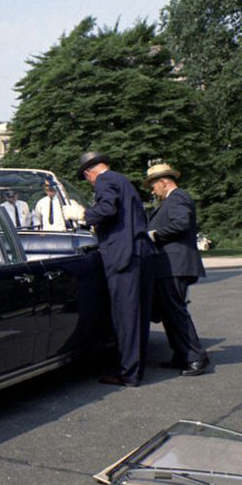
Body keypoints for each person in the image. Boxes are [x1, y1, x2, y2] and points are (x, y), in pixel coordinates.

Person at [65, 152, 155, 388]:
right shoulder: (122, 180)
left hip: (123, 255)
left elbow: (107, 208)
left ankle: (129, 373)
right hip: (140, 252)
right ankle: (135, 368)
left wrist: (83, 215)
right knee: (138, 314)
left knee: (125, 316)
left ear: (88, 174)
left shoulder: (104, 180)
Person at [144, 162, 210, 376]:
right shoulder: (173, 200)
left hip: (175, 265)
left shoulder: (178, 197)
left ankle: (196, 357)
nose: (152, 190)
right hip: (171, 266)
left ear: (164, 182)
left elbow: (181, 223)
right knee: (169, 313)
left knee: (176, 312)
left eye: (153, 186)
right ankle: (182, 355)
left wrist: (154, 235)